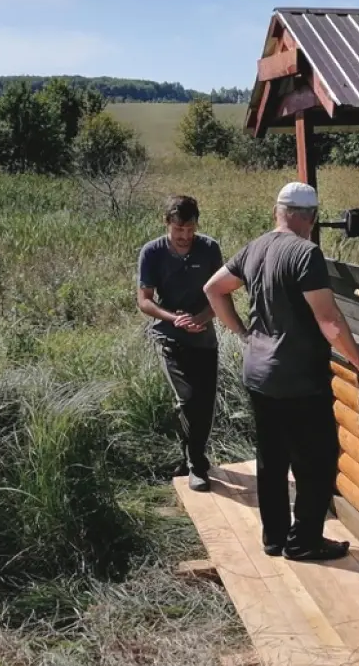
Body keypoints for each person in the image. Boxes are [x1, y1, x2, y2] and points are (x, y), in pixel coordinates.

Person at [204, 181, 359, 562]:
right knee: (317, 460)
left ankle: (273, 539)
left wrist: (243, 332)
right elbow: (330, 320)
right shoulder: (306, 254)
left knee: (271, 459)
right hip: (298, 379)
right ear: (311, 217)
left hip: (258, 374)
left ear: (278, 211)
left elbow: (213, 289)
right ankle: (304, 541)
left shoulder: (255, 247)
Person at [137, 195, 223, 492]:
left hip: (204, 337)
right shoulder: (152, 252)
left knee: (205, 403)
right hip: (169, 336)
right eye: (178, 231)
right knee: (188, 399)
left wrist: (200, 318)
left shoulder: (209, 248)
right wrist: (173, 318)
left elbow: (220, 295)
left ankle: (191, 451)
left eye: (190, 230)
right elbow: (144, 301)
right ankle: (196, 465)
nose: (185, 237)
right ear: (167, 225)